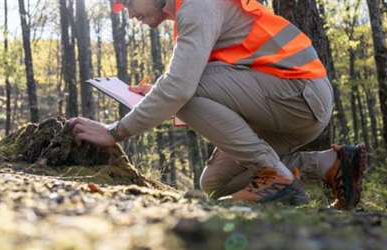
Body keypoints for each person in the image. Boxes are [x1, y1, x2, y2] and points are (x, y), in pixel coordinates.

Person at [70, 0, 366, 209]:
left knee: (181, 88)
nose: (130, 13)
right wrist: (160, 95)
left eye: (128, 1)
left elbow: (182, 89)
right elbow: (209, 96)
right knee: (216, 183)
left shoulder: (198, 6)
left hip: (299, 95)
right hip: (284, 107)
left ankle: (276, 177)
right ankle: (328, 164)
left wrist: (115, 132)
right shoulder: (194, 12)